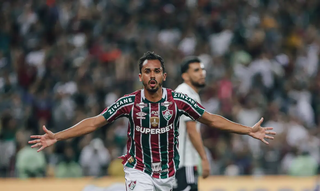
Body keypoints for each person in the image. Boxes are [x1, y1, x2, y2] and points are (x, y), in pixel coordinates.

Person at [29, 51, 276, 191]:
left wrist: (247, 131)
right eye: (147, 71)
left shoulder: (179, 101)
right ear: (140, 76)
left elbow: (211, 120)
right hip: (139, 171)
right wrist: (57, 135)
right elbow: (95, 122)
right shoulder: (129, 103)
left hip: (168, 175)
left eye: (157, 71)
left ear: (164, 75)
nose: (152, 75)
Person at [173, 57, 209, 191]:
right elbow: (191, 130)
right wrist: (204, 158)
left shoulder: (182, 92)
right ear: (185, 76)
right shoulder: (187, 95)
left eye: (202, 69)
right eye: (196, 70)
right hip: (185, 161)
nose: (202, 73)